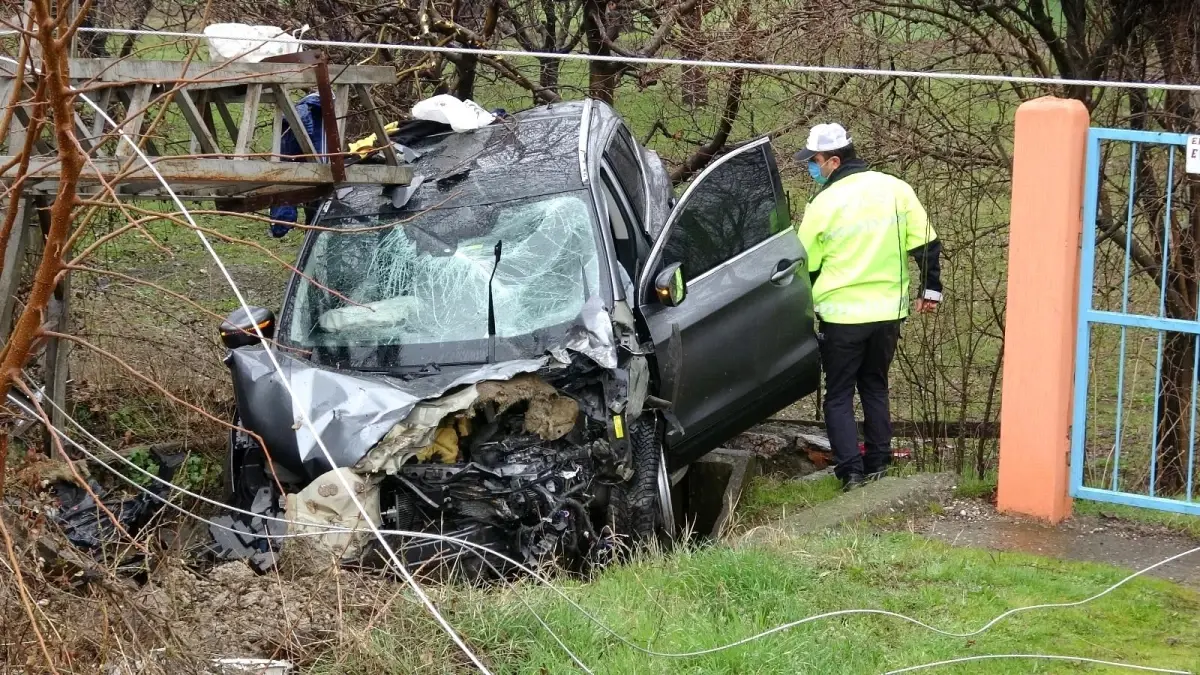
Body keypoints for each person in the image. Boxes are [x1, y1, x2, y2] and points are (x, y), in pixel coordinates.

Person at [794, 123, 942, 491]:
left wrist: (798, 314)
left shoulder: (823, 203)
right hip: (889, 312)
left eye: (813, 162)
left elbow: (805, 265)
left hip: (842, 316)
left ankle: (851, 474)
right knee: (875, 386)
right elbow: (927, 243)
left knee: (839, 394)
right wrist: (932, 290)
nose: (811, 170)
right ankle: (879, 464)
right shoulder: (895, 188)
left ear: (832, 160)